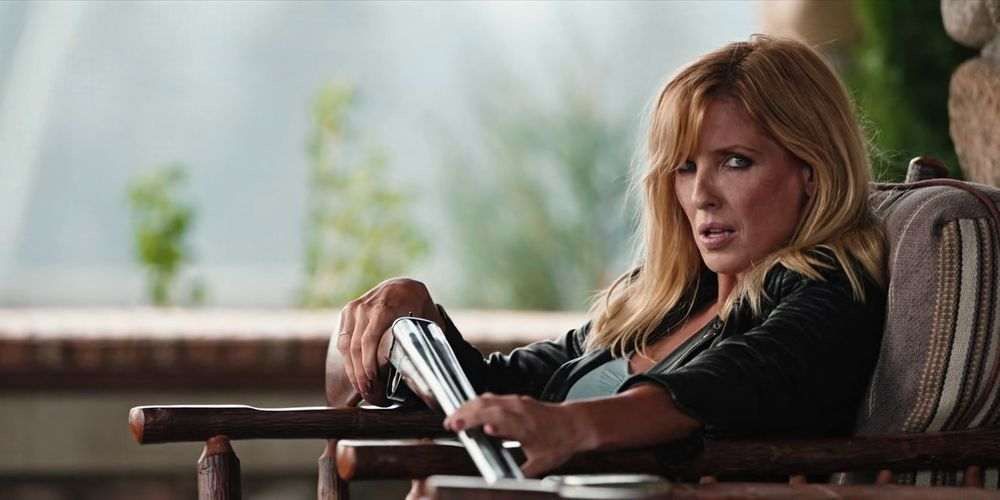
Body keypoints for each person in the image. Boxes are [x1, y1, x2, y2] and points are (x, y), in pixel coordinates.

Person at [335, 35, 887, 482]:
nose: (701, 195)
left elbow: (733, 382)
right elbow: (502, 391)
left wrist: (573, 427)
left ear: (810, 172)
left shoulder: (832, 290)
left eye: (736, 161)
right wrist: (416, 316)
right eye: (685, 167)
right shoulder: (664, 301)